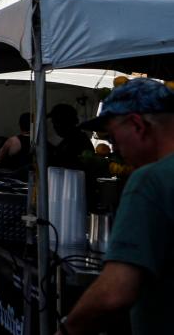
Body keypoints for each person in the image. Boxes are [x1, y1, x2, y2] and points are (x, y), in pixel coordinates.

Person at [61, 79, 174, 335]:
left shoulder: (150, 180)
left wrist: (68, 329)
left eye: (113, 137)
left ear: (137, 125)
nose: (116, 149)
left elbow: (115, 292)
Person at [48, 103, 93, 169]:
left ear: (64, 122)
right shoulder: (71, 138)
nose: (54, 127)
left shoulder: (79, 140)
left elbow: (66, 160)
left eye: (55, 122)